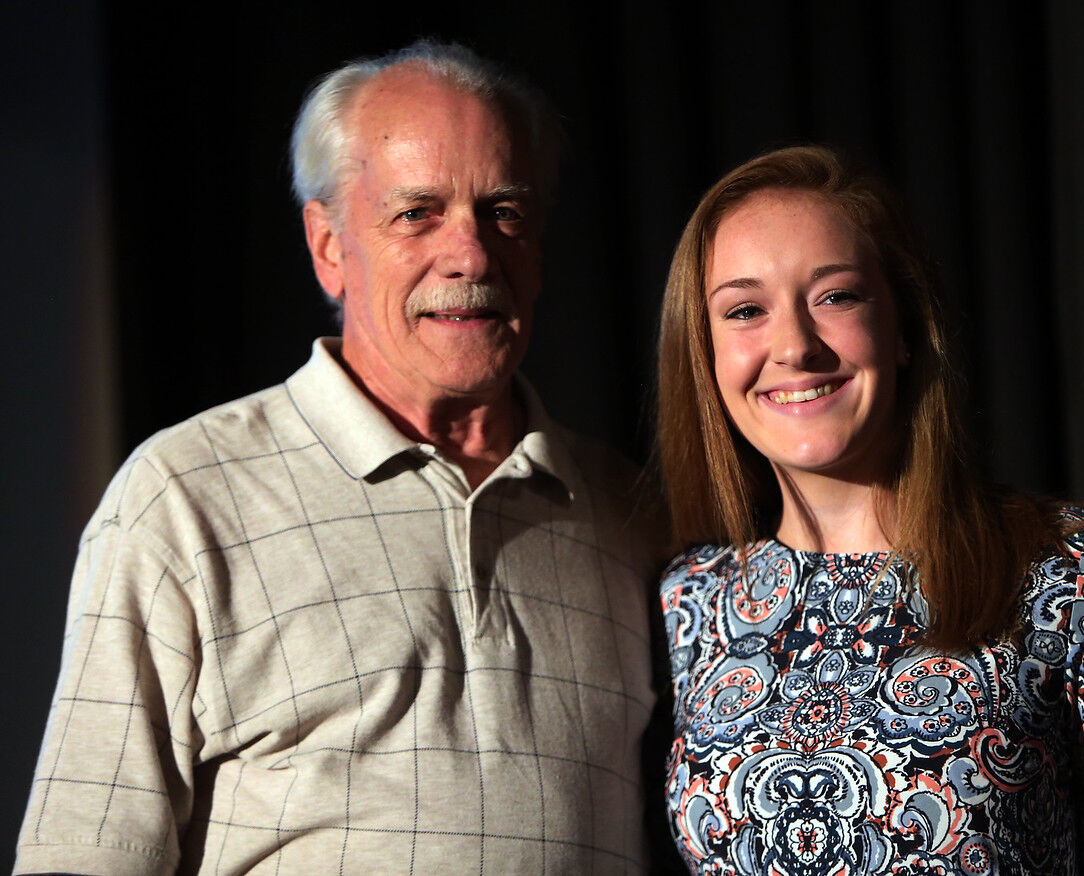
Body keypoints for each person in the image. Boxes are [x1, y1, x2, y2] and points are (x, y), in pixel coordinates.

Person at [16, 40, 667, 874]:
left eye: (503, 210)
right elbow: (83, 854)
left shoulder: (626, 512)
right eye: (416, 212)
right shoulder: (184, 498)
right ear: (328, 245)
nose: (470, 255)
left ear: (539, 245)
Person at [654, 146, 1084, 875]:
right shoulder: (690, 598)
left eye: (835, 296)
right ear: (705, 356)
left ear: (902, 327)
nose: (793, 346)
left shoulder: (1077, 577)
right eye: (745, 310)